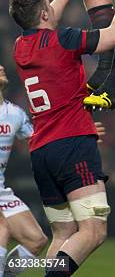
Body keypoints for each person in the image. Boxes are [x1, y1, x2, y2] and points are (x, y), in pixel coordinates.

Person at [8, 0, 115, 276]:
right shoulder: (64, 40)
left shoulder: (20, 48)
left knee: (62, 234)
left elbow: (43, 19)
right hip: (72, 147)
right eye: (50, 4)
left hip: (42, 152)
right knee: (93, 231)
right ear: (45, 13)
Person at [0, 66, 105, 277]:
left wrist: (80, 135)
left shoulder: (15, 114)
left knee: (35, 240)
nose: (1, 67)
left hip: (1, 190)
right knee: (2, 228)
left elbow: (41, 137)